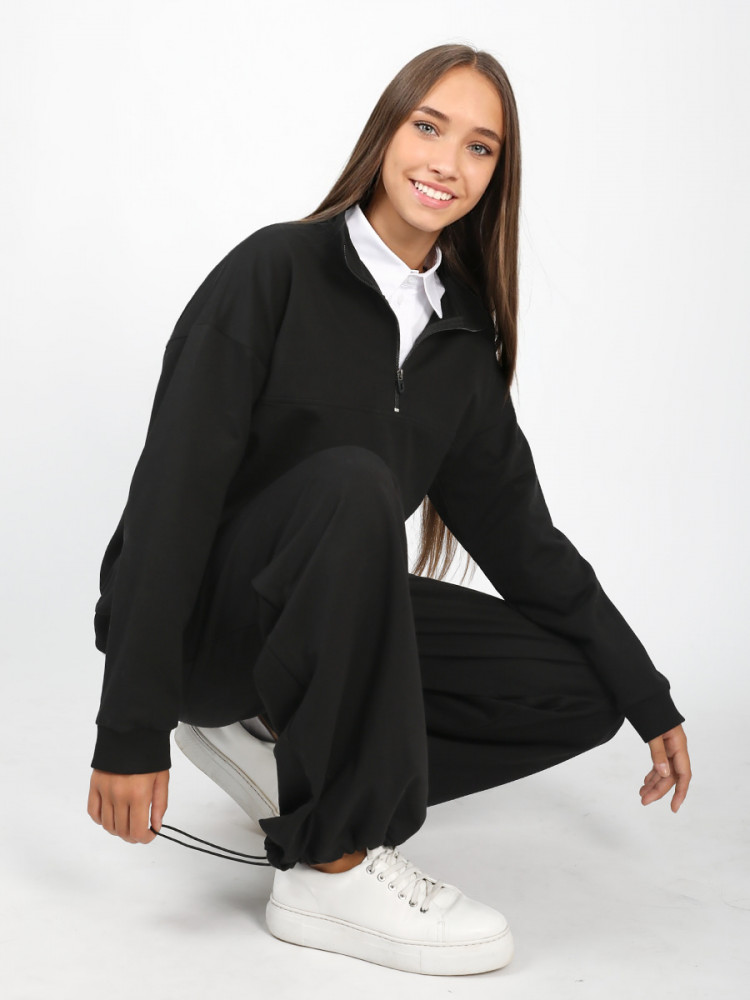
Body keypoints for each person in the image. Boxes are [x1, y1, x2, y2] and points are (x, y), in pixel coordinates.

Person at [86, 43, 692, 977]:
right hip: (209, 628)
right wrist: (130, 729)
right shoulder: (276, 270)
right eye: (429, 127)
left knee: (578, 688)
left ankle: (304, 774)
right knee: (354, 483)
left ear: (497, 175)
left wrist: (646, 695)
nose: (448, 162)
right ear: (387, 132)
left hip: (322, 619)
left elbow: (526, 544)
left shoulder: (461, 338)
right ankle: (330, 863)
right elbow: (170, 501)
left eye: (480, 147)